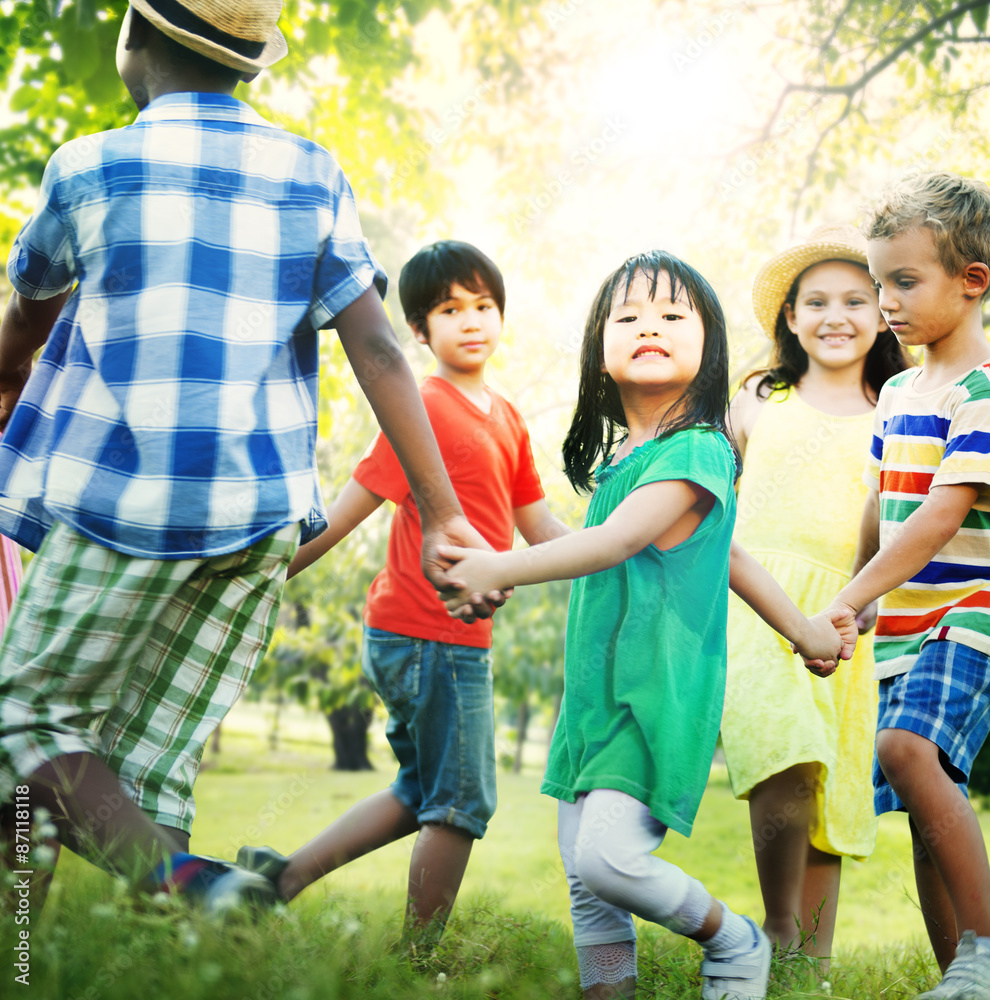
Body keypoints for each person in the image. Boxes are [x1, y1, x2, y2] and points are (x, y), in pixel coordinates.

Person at [0, 1, 493, 912]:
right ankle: (168, 954)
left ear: (132, 43)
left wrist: (6, 379)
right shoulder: (312, 173)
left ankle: (177, 898)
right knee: (153, 759)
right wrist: (446, 513)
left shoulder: (88, 167)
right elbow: (380, 349)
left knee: (22, 722)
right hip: (257, 516)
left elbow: (25, 315)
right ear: (249, 64)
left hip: (126, 506)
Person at [438, 251, 854, 1000]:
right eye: (627, 317)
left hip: (654, 695)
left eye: (671, 315)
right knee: (585, 875)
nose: (648, 327)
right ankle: (610, 991)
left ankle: (735, 940)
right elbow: (716, 554)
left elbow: (617, 542)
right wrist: (806, 630)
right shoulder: (629, 460)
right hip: (595, 698)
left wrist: (496, 569)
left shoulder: (700, 448)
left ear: (710, 348)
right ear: (600, 350)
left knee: (608, 860)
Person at [237, 239, 569, 940]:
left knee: (420, 791)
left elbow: (539, 525)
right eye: (450, 309)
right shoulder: (419, 408)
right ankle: (420, 959)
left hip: (457, 639)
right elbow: (347, 508)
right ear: (419, 330)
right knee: (461, 801)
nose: (471, 320)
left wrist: (625, 549)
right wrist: (258, 579)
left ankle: (279, 878)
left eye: (483, 305)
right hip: (422, 633)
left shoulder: (507, 419)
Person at [817, 172, 990, 1000]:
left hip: (970, 612)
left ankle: (987, 950)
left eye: (905, 281)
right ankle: (958, 976)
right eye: (880, 281)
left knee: (904, 749)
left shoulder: (982, 388)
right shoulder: (894, 392)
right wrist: (857, 602)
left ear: (973, 281)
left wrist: (846, 600)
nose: (886, 301)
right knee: (928, 809)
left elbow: (934, 518)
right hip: (903, 623)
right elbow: (880, 508)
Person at [719, 225, 912, 963]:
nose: (837, 315)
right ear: (791, 318)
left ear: (883, 312)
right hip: (763, 604)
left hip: (855, 612)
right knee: (786, 749)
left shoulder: (896, 408)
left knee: (829, 784)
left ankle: (812, 959)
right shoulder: (759, 400)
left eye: (857, 299)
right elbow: (710, 500)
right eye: (817, 301)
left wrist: (874, 602)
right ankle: (775, 925)